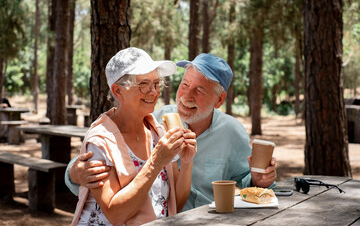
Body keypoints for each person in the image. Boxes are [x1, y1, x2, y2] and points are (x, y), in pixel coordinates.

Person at [66, 53, 277, 212]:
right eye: (184, 85)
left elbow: (247, 182)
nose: (186, 96)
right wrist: (74, 173)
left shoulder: (233, 132)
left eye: (199, 90)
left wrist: (260, 180)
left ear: (219, 100)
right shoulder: (156, 120)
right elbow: (101, 157)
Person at [70, 47, 197, 226]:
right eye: (143, 84)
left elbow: (174, 203)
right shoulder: (100, 141)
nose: (153, 92)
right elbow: (116, 214)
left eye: (156, 83)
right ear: (118, 91)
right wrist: (156, 162)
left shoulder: (157, 132)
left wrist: (186, 163)